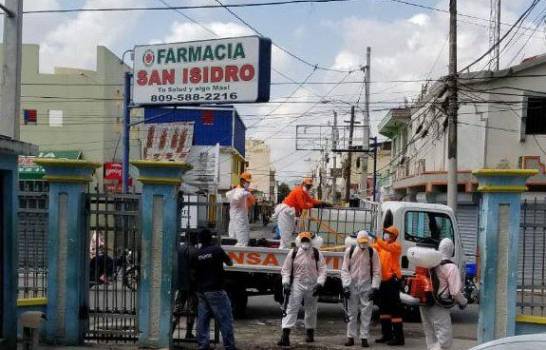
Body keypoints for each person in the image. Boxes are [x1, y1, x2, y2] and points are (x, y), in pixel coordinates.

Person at [278, 231, 327, 346]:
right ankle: (285, 335)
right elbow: (286, 269)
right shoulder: (293, 252)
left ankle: (310, 333)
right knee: (291, 309)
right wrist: (285, 283)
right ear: (300, 241)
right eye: (303, 240)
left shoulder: (316, 253)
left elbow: (323, 270)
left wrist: (320, 284)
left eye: (307, 240)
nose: (305, 242)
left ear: (311, 241)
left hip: (313, 285)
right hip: (297, 284)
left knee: (311, 309)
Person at [191, 229, 236, 350]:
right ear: (211, 238)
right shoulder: (217, 250)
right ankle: (229, 346)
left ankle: (203, 345)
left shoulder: (196, 254)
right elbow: (230, 263)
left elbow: (193, 272)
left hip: (201, 291)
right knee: (225, 318)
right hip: (216, 290)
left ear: (199, 240)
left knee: (203, 320)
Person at [420, 238, 467, 350]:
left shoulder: (431, 263)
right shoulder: (451, 267)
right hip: (439, 306)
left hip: (424, 303)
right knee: (444, 341)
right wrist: (464, 302)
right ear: (451, 250)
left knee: (430, 335)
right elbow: (455, 292)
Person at [341, 231, 381, 347]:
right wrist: (346, 286)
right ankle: (350, 337)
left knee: (366, 313)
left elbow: (377, 271)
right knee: (351, 312)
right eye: (361, 243)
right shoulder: (350, 251)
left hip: (366, 285)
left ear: (368, 241)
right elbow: (344, 270)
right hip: (352, 285)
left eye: (365, 243)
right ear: (357, 241)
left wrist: (374, 288)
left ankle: (364, 337)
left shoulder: (373, 252)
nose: (363, 245)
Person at [272, 178, 327, 249]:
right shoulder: (299, 191)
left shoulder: (304, 193)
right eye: (307, 185)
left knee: (289, 231)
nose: (308, 187)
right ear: (303, 184)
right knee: (286, 233)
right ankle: (283, 250)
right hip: (285, 212)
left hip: (290, 213)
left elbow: (311, 200)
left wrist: (321, 202)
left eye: (309, 186)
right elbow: (303, 205)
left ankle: (284, 248)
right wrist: (313, 205)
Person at [374, 225, 405, 346]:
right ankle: (386, 335)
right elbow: (374, 247)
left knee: (395, 310)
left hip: (393, 281)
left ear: (394, 236)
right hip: (383, 282)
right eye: (385, 232)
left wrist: (377, 239)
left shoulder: (396, 246)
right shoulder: (382, 246)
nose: (385, 234)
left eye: (388, 233)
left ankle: (399, 338)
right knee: (384, 310)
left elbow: (384, 246)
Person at [173, 230, 199, 338]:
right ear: (194, 239)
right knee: (192, 310)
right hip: (192, 285)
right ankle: (189, 333)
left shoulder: (178, 249)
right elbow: (198, 269)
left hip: (180, 284)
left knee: (177, 310)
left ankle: (170, 332)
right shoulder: (196, 251)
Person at [226, 172, 255, 246]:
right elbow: (235, 198)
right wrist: (245, 194)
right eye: (247, 182)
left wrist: (248, 194)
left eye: (249, 182)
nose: (248, 183)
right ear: (242, 181)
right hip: (238, 218)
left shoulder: (244, 191)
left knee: (241, 237)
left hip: (241, 217)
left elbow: (252, 202)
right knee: (241, 239)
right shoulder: (238, 192)